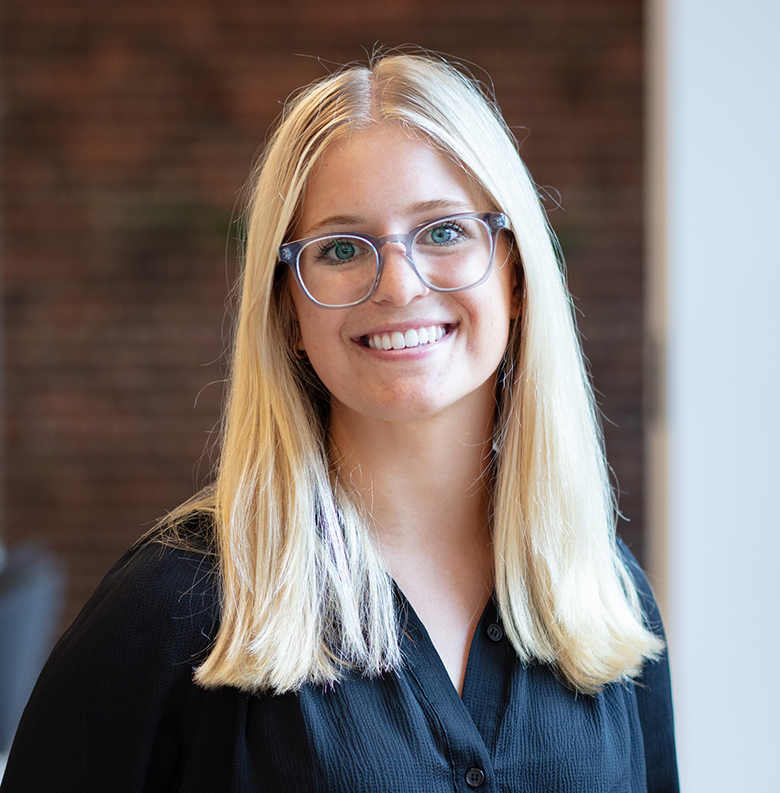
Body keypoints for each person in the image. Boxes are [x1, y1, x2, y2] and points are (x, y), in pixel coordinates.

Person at [0, 52, 679, 792]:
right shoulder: (178, 601)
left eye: (444, 232)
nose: (398, 286)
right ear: (289, 310)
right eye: (341, 249)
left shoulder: (602, 590)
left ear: (514, 275)